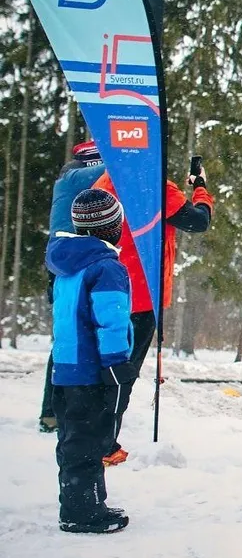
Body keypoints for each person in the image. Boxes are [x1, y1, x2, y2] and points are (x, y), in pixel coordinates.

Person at [93, 163, 214, 465]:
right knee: (122, 374)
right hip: (142, 293)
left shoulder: (105, 180)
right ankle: (103, 446)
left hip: (104, 288)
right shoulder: (153, 183)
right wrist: (201, 188)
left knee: (100, 369)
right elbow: (198, 221)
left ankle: (91, 438)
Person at [46, 189, 134, 533]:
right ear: (114, 227)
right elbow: (110, 320)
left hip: (65, 367)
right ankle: (83, 513)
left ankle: (79, 501)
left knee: (72, 440)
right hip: (92, 368)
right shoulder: (107, 268)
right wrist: (117, 363)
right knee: (90, 440)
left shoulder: (67, 264)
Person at [38, 141, 106, 433]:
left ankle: (54, 412)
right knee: (70, 339)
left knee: (67, 339)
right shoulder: (73, 176)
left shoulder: (74, 180)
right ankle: (56, 411)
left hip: (67, 264)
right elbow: (115, 170)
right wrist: (131, 156)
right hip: (74, 264)